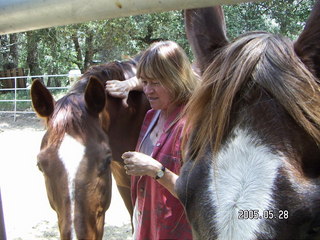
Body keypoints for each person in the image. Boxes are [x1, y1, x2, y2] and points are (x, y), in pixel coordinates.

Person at [106, 40, 198, 240]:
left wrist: (155, 170)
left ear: (177, 78)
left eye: (156, 83)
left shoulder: (191, 124)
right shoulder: (151, 116)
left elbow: (195, 194)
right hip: (146, 226)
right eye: (145, 82)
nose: (148, 90)